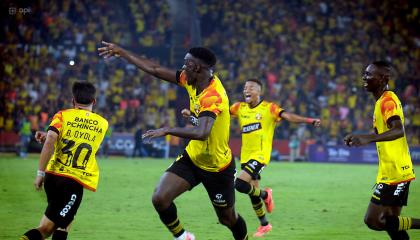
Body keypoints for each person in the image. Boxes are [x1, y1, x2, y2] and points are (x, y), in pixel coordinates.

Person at [98, 42, 248, 240]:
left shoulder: (213, 96)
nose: (183, 68)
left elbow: (203, 132)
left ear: (197, 68)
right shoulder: (191, 79)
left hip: (217, 167)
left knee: (227, 219)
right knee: (160, 198)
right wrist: (122, 52)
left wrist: (168, 129)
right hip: (193, 159)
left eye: (186, 64)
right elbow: (155, 69)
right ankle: (183, 237)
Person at [229, 79, 321, 237]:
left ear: (259, 92)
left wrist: (309, 120)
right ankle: (264, 224)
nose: (246, 90)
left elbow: (288, 116)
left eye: (251, 87)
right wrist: (195, 114)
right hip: (245, 155)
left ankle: (266, 194)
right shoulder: (239, 107)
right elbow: (219, 111)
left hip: (260, 155)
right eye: (245, 88)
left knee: (240, 184)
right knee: (253, 192)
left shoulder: (268, 108)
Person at [20, 81, 108, 240]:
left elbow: (53, 140)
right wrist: (49, 137)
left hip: (52, 178)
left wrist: (40, 172)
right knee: (47, 229)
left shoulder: (62, 115)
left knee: (64, 222)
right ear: (94, 101)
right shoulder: (103, 123)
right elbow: (81, 135)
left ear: (73, 101)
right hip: (72, 181)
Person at [344, 61, 419, 239]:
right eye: (365, 73)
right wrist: (362, 136)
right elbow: (385, 132)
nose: (364, 77)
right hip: (393, 170)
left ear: (383, 79)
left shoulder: (388, 101)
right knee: (393, 225)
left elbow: (399, 129)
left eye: (370, 74)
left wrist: (368, 138)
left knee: (374, 220)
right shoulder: (381, 102)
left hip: (395, 173)